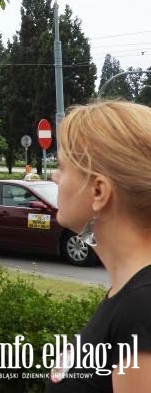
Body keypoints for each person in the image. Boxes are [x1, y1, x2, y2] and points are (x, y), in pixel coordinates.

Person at [47, 100, 151, 391]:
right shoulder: (130, 293)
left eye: (62, 167)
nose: (55, 177)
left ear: (98, 191)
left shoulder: (141, 308)